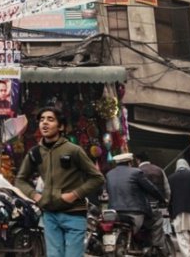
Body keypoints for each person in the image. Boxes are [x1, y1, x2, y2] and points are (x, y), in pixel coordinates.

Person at [16, 106, 104, 257]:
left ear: (61, 126)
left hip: (74, 214)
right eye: (42, 120)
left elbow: (97, 178)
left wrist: (74, 194)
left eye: (50, 119)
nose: (44, 123)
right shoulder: (35, 153)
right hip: (50, 215)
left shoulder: (73, 150)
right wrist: (35, 196)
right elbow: (20, 180)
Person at [104, 152, 165, 245]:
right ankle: (157, 246)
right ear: (130, 162)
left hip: (114, 212)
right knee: (156, 220)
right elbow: (151, 188)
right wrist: (162, 199)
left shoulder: (109, 174)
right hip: (135, 212)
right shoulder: (136, 172)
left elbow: (108, 191)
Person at [137, 151, 170, 249]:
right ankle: (158, 249)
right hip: (158, 206)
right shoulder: (159, 170)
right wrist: (166, 201)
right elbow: (167, 189)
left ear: (138, 160)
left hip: (141, 208)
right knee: (157, 230)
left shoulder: (137, 171)